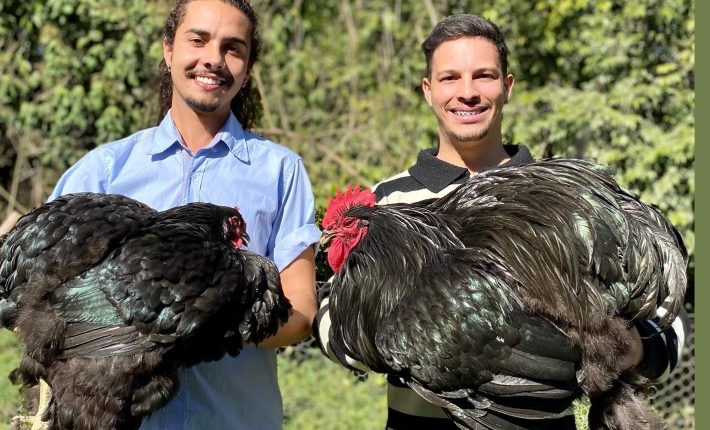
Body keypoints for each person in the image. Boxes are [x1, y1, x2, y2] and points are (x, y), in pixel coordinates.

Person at [314, 13, 687, 429]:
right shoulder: (384, 202)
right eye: (450, 78)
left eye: (484, 76)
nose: (467, 93)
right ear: (429, 90)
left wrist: (631, 349)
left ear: (506, 86)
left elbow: (670, 325)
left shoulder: (560, 199)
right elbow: (330, 313)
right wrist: (417, 336)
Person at [49, 0, 320, 428]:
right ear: (169, 50)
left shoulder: (279, 170)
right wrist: (113, 327)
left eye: (233, 48)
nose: (213, 58)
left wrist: (214, 318)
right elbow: (30, 302)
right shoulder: (103, 171)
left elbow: (301, 310)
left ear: (247, 69)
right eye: (198, 40)